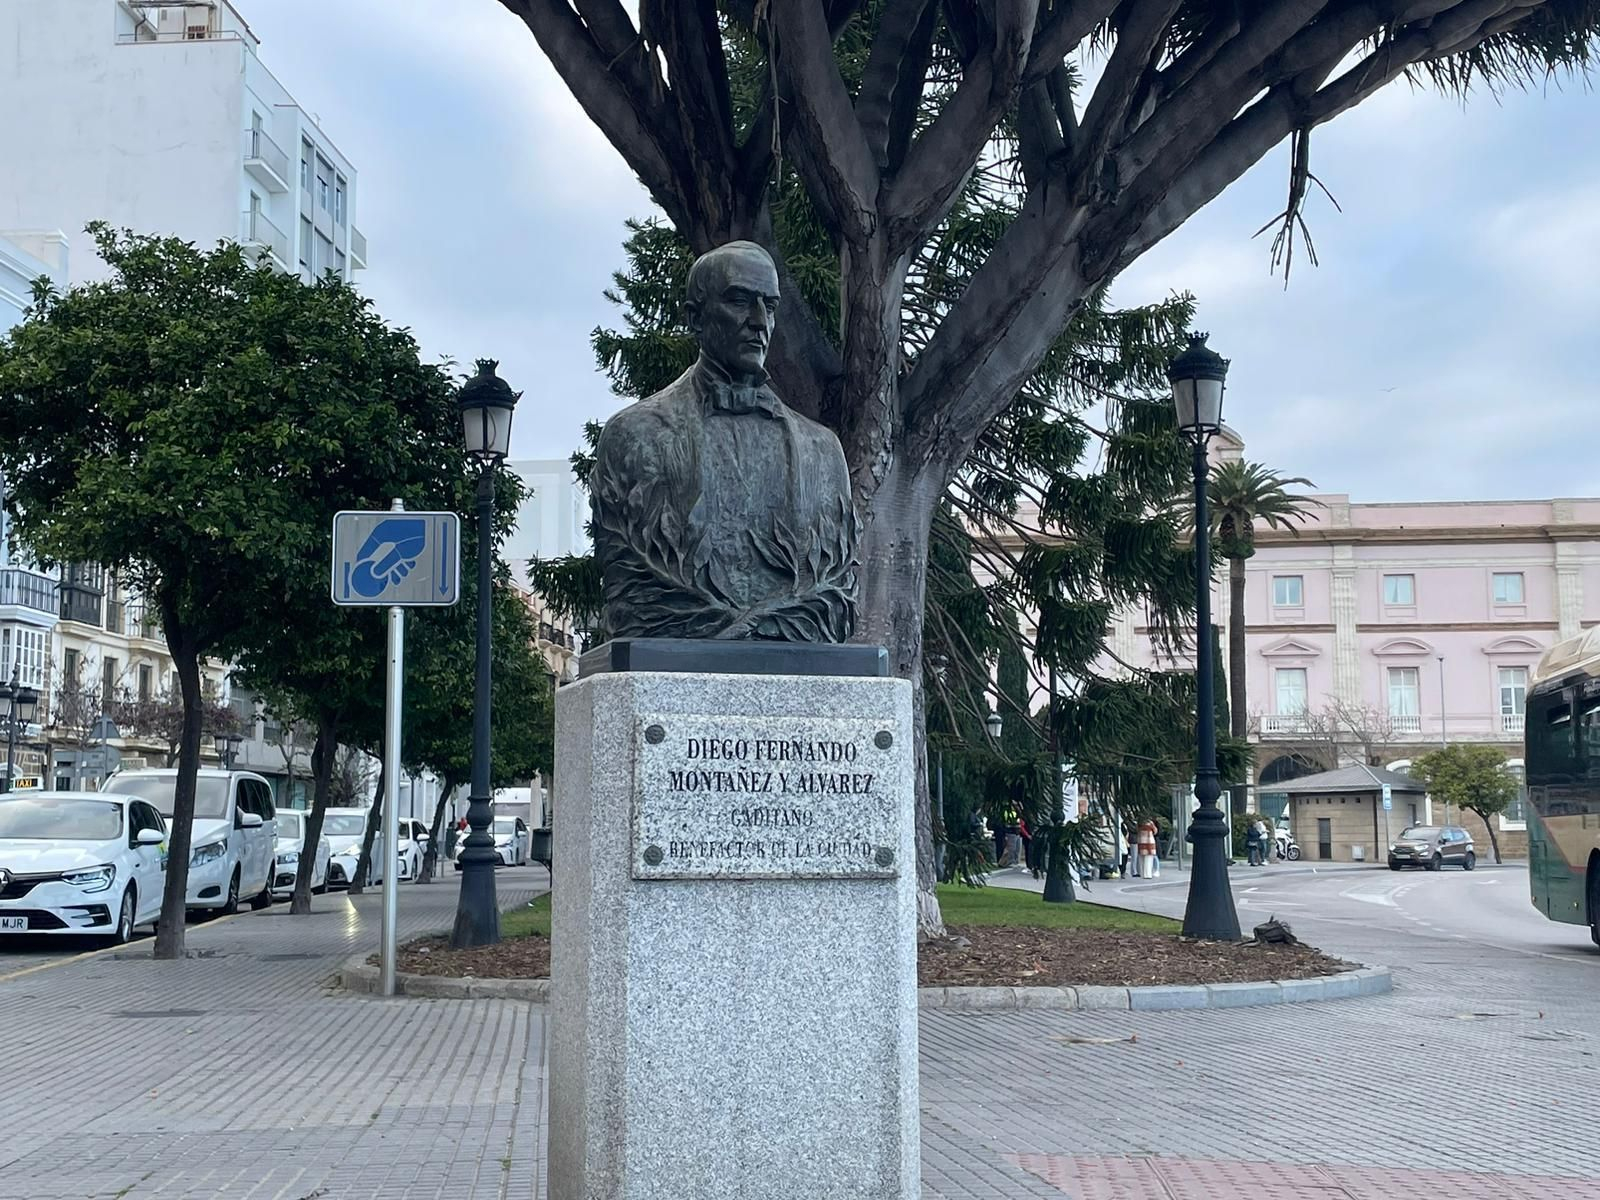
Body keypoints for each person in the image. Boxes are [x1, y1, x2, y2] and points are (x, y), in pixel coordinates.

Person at [589, 240, 860, 642]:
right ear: (696, 318)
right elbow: (634, 594)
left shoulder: (823, 452)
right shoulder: (634, 436)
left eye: (769, 305)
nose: (759, 321)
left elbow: (836, 595)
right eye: (739, 300)